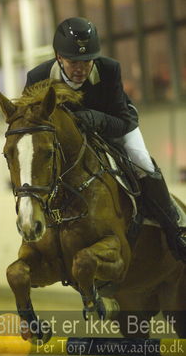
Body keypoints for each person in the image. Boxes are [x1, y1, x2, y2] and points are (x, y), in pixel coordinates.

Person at [24, 17, 186, 262]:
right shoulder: (37, 77)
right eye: (73, 62)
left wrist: (95, 118)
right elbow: (31, 125)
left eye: (87, 61)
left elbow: (122, 120)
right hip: (68, 139)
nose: (81, 68)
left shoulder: (109, 69)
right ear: (59, 57)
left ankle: (174, 227)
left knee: (142, 161)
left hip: (116, 126)